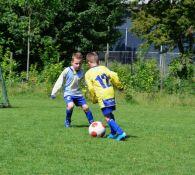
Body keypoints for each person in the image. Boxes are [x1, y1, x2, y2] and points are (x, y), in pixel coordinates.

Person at [85, 52, 126, 141]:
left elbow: (91, 89)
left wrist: (93, 98)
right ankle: (113, 132)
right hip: (110, 92)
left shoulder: (88, 73)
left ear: (88, 62)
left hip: (102, 95)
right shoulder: (104, 68)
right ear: (98, 61)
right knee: (110, 114)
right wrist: (119, 87)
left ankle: (121, 132)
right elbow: (114, 75)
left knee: (107, 117)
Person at [51, 52, 94, 127]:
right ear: (72, 62)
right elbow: (59, 81)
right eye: (76, 63)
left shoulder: (82, 72)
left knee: (86, 107)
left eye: (80, 63)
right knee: (70, 106)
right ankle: (67, 121)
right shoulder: (67, 70)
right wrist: (53, 92)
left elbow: (85, 83)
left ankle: (92, 123)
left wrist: (90, 90)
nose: (78, 65)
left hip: (78, 94)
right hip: (68, 93)